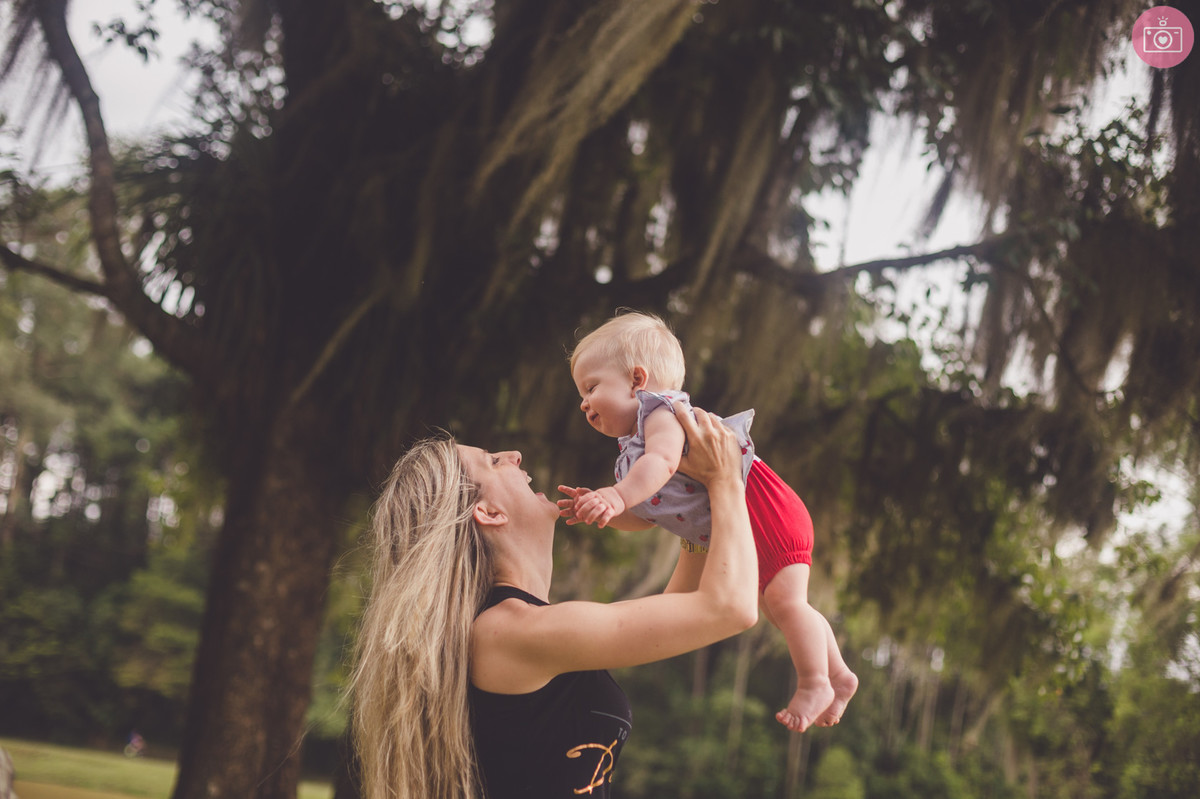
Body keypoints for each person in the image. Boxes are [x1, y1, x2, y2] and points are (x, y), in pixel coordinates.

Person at [349, 407, 757, 799]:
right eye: (494, 462)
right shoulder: (505, 632)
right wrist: (724, 481)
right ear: (488, 512)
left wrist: (693, 510)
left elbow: (686, 609)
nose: (514, 455)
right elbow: (730, 608)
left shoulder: (518, 626)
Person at [559, 310, 858, 733]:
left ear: (637, 380)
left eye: (592, 387)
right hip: (747, 521)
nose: (585, 403)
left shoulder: (662, 413)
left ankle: (815, 682)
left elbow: (662, 464)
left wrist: (616, 493)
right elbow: (646, 518)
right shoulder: (630, 453)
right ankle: (839, 674)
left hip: (764, 509)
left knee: (786, 604)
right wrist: (607, 512)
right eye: (581, 396)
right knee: (784, 607)